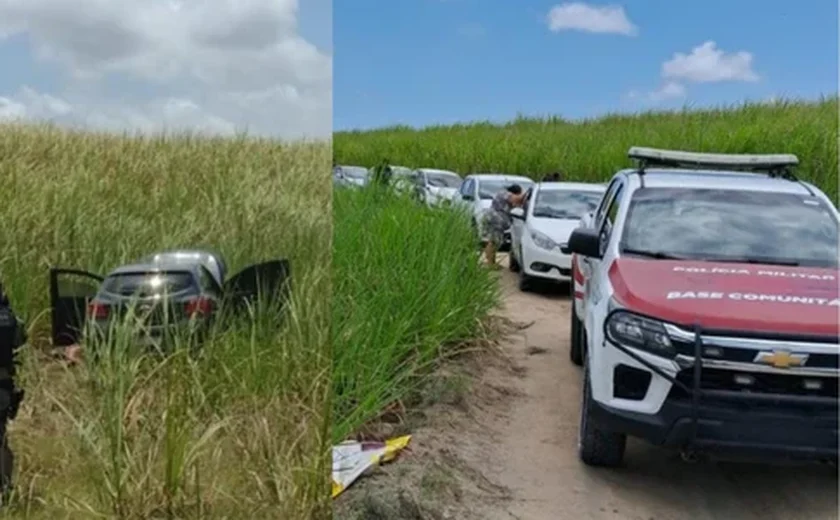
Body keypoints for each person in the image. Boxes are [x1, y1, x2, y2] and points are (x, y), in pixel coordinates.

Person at [0, 285, 24, 500]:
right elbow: (19, 342)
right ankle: (5, 488)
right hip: (3, 386)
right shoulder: (11, 318)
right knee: (2, 440)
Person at [482, 184, 527, 268]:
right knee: (493, 242)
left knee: (493, 241)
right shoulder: (506, 194)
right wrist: (525, 194)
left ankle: (491, 262)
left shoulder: (503, 194)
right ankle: (490, 264)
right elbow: (516, 199)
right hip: (495, 220)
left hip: (494, 219)